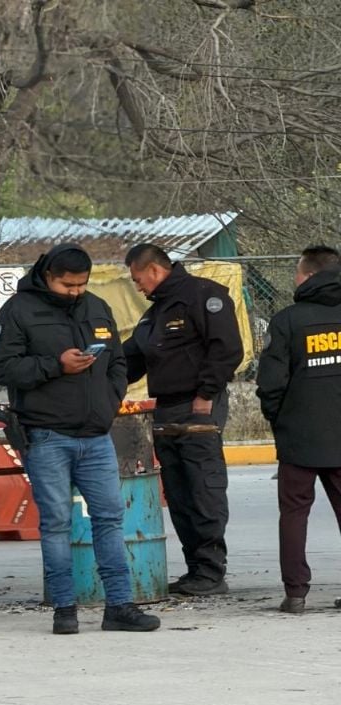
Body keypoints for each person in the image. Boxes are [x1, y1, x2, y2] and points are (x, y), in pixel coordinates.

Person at [0, 243, 161, 635]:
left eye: (82, 285)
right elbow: (3, 367)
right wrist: (56, 365)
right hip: (47, 435)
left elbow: (117, 361)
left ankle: (119, 605)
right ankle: (64, 609)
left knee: (110, 518)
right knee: (56, 524)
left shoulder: (96, 307)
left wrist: (108, 400)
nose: (75, 292)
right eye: (68, 285)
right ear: (48, 276)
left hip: (96, 435)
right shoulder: (19, 311)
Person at [123, 243, 244, 596]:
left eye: (137, 279)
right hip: (165, 407)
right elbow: (131, 358)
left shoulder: (203, 295)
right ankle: (196, 568)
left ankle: (211, 570)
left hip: (197, 405)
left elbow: (227, 349)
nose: (137, 286)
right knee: (178, 491)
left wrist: (205, 395)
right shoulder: (155, 313)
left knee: (202, 486)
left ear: (154, 270)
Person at [256, 245, 341, 614]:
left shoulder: (287, 321)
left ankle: (295, 594)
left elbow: (270, 383)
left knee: (293, 513)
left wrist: (281, 420)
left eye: (297, 272)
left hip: (300, 436)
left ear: (308, 276)